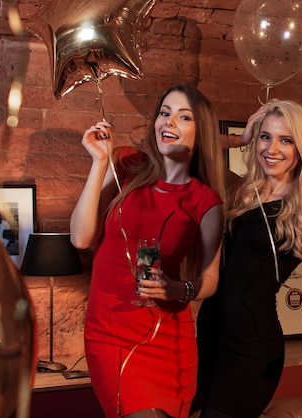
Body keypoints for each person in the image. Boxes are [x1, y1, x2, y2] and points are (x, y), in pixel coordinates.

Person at [70, 84, 226, 418]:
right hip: (110, 333)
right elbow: (81, 238)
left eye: (183, 117)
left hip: (169, 339)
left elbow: (210, 279)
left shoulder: (205, 201)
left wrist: (175, 289)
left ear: (201, 133)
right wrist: (99, 163)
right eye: (164, 113)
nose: (168, 122)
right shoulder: (125, 164)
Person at [193, 99, 302, 418]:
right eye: (266, 137)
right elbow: (192, 147)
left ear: (301, 147)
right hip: (209, 334)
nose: (272, 148)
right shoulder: (241, 192)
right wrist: (241, 137)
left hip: (252, 348)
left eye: (286, 140)